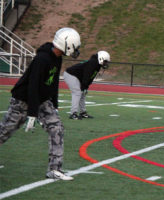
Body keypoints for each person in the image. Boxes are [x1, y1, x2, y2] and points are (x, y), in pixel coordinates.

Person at [0, 27, 81, 181]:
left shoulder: (57, 58)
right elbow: (33, 86)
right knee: (5, 131)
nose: (75, 50)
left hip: (42, 100)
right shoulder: (42, 59)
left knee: (56, 128)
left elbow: (54, 81)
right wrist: (32, 114)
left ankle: (54, 169)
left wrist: (55, 105)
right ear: (66, 44)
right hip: (23, 100)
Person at [64, 51, 111, 120]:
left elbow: (90, 77)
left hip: (77, 76)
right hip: (71, 74)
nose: (106, 63)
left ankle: (83, 113)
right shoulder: (93, 63)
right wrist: (84, 86)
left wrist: (85, 87)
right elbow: (87, 75)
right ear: (101, 58)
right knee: (77, 92)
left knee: (82, 93)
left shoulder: (96, 64)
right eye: (105, 61)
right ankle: (73, 113)